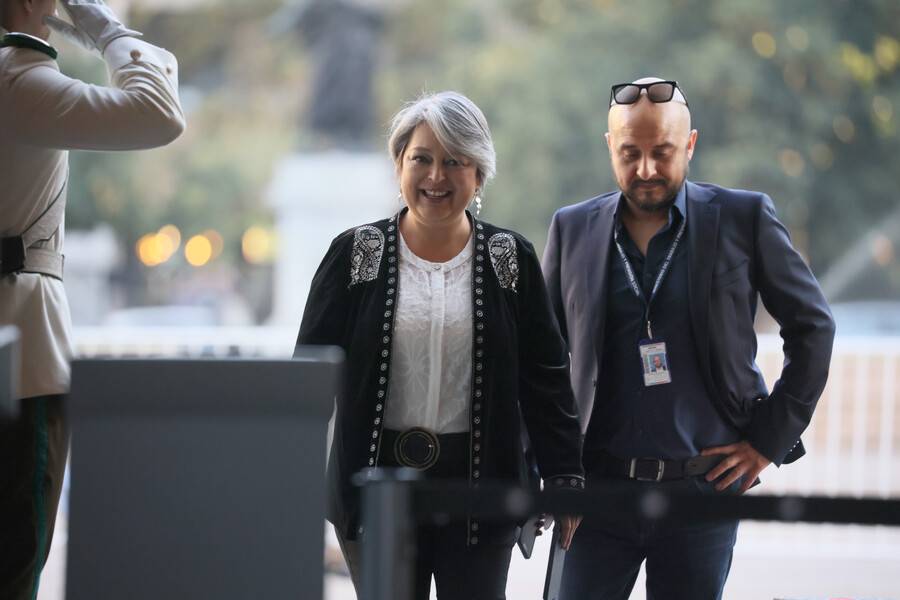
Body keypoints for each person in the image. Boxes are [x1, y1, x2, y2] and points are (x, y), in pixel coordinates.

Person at [542, 77, 835, 600]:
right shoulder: (572, 228)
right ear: (610, 146)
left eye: (663, 152)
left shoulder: (744, 217)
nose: (646, 169)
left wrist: (766, 442)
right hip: (594, 495)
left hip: (703, 494)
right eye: (630, 153)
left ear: (691, 144)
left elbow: (814, 326)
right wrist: (552, 470)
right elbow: (540, 361)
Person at [296, 90, 584, 599]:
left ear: (479, 175)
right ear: (399, 166)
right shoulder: (355, 253)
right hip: (375, 493)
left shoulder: (510, 258)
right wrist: (285, 470)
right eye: (421, 159)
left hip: (484, 493)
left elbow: (546, 378)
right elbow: (307, 377)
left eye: (454, 161)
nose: (436, 176)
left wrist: (564, 477)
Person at [0, 1, 184, 597]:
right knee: (15, 559)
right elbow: (158, 113)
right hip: (19, 360)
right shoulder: (20, 78)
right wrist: (105, 30)